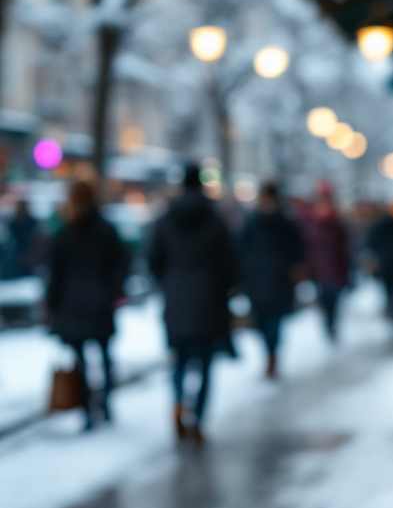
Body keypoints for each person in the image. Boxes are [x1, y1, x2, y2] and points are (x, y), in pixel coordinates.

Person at [147, 164, 238, 443]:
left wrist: (169, 284)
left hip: (176, 300)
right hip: (209, 300)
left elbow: (153, 259)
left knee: (179, 360)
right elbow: (229, 263)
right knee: (206, 364)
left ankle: (177, 401)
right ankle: (197, 418)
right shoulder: (215, 220)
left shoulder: (165, 219)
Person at [45, 181, 129, 431]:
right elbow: (122, 262)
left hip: (73, 305)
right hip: (99, 303)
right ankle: (104, 403)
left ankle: (88, 410)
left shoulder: (65, 231)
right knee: (104, 357)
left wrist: (52, 305)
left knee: (80, 360)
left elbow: (55, 274)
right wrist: (111, 290)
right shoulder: (105, 229)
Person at [240, 183, 305, 378]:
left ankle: (272, 357)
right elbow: (241, 250)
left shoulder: (286, 224)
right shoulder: (251, 224)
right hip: (257, 283)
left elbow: (297, 250)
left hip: (279, 283)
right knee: (261, 324)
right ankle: (268, 353)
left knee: (275, 324)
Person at [305, 186, 350, 341]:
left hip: (336, 271)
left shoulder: (338, 226)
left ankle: (332, 325)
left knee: (334, 302)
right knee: (324, 302)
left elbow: (345, 250)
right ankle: (327, 325)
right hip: (319, 272)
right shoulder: (312, 225)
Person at [3, 200, 42, 278]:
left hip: (29, 259)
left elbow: (37, 241)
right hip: (16, 259)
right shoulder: (13, 224)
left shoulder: (33, 223)